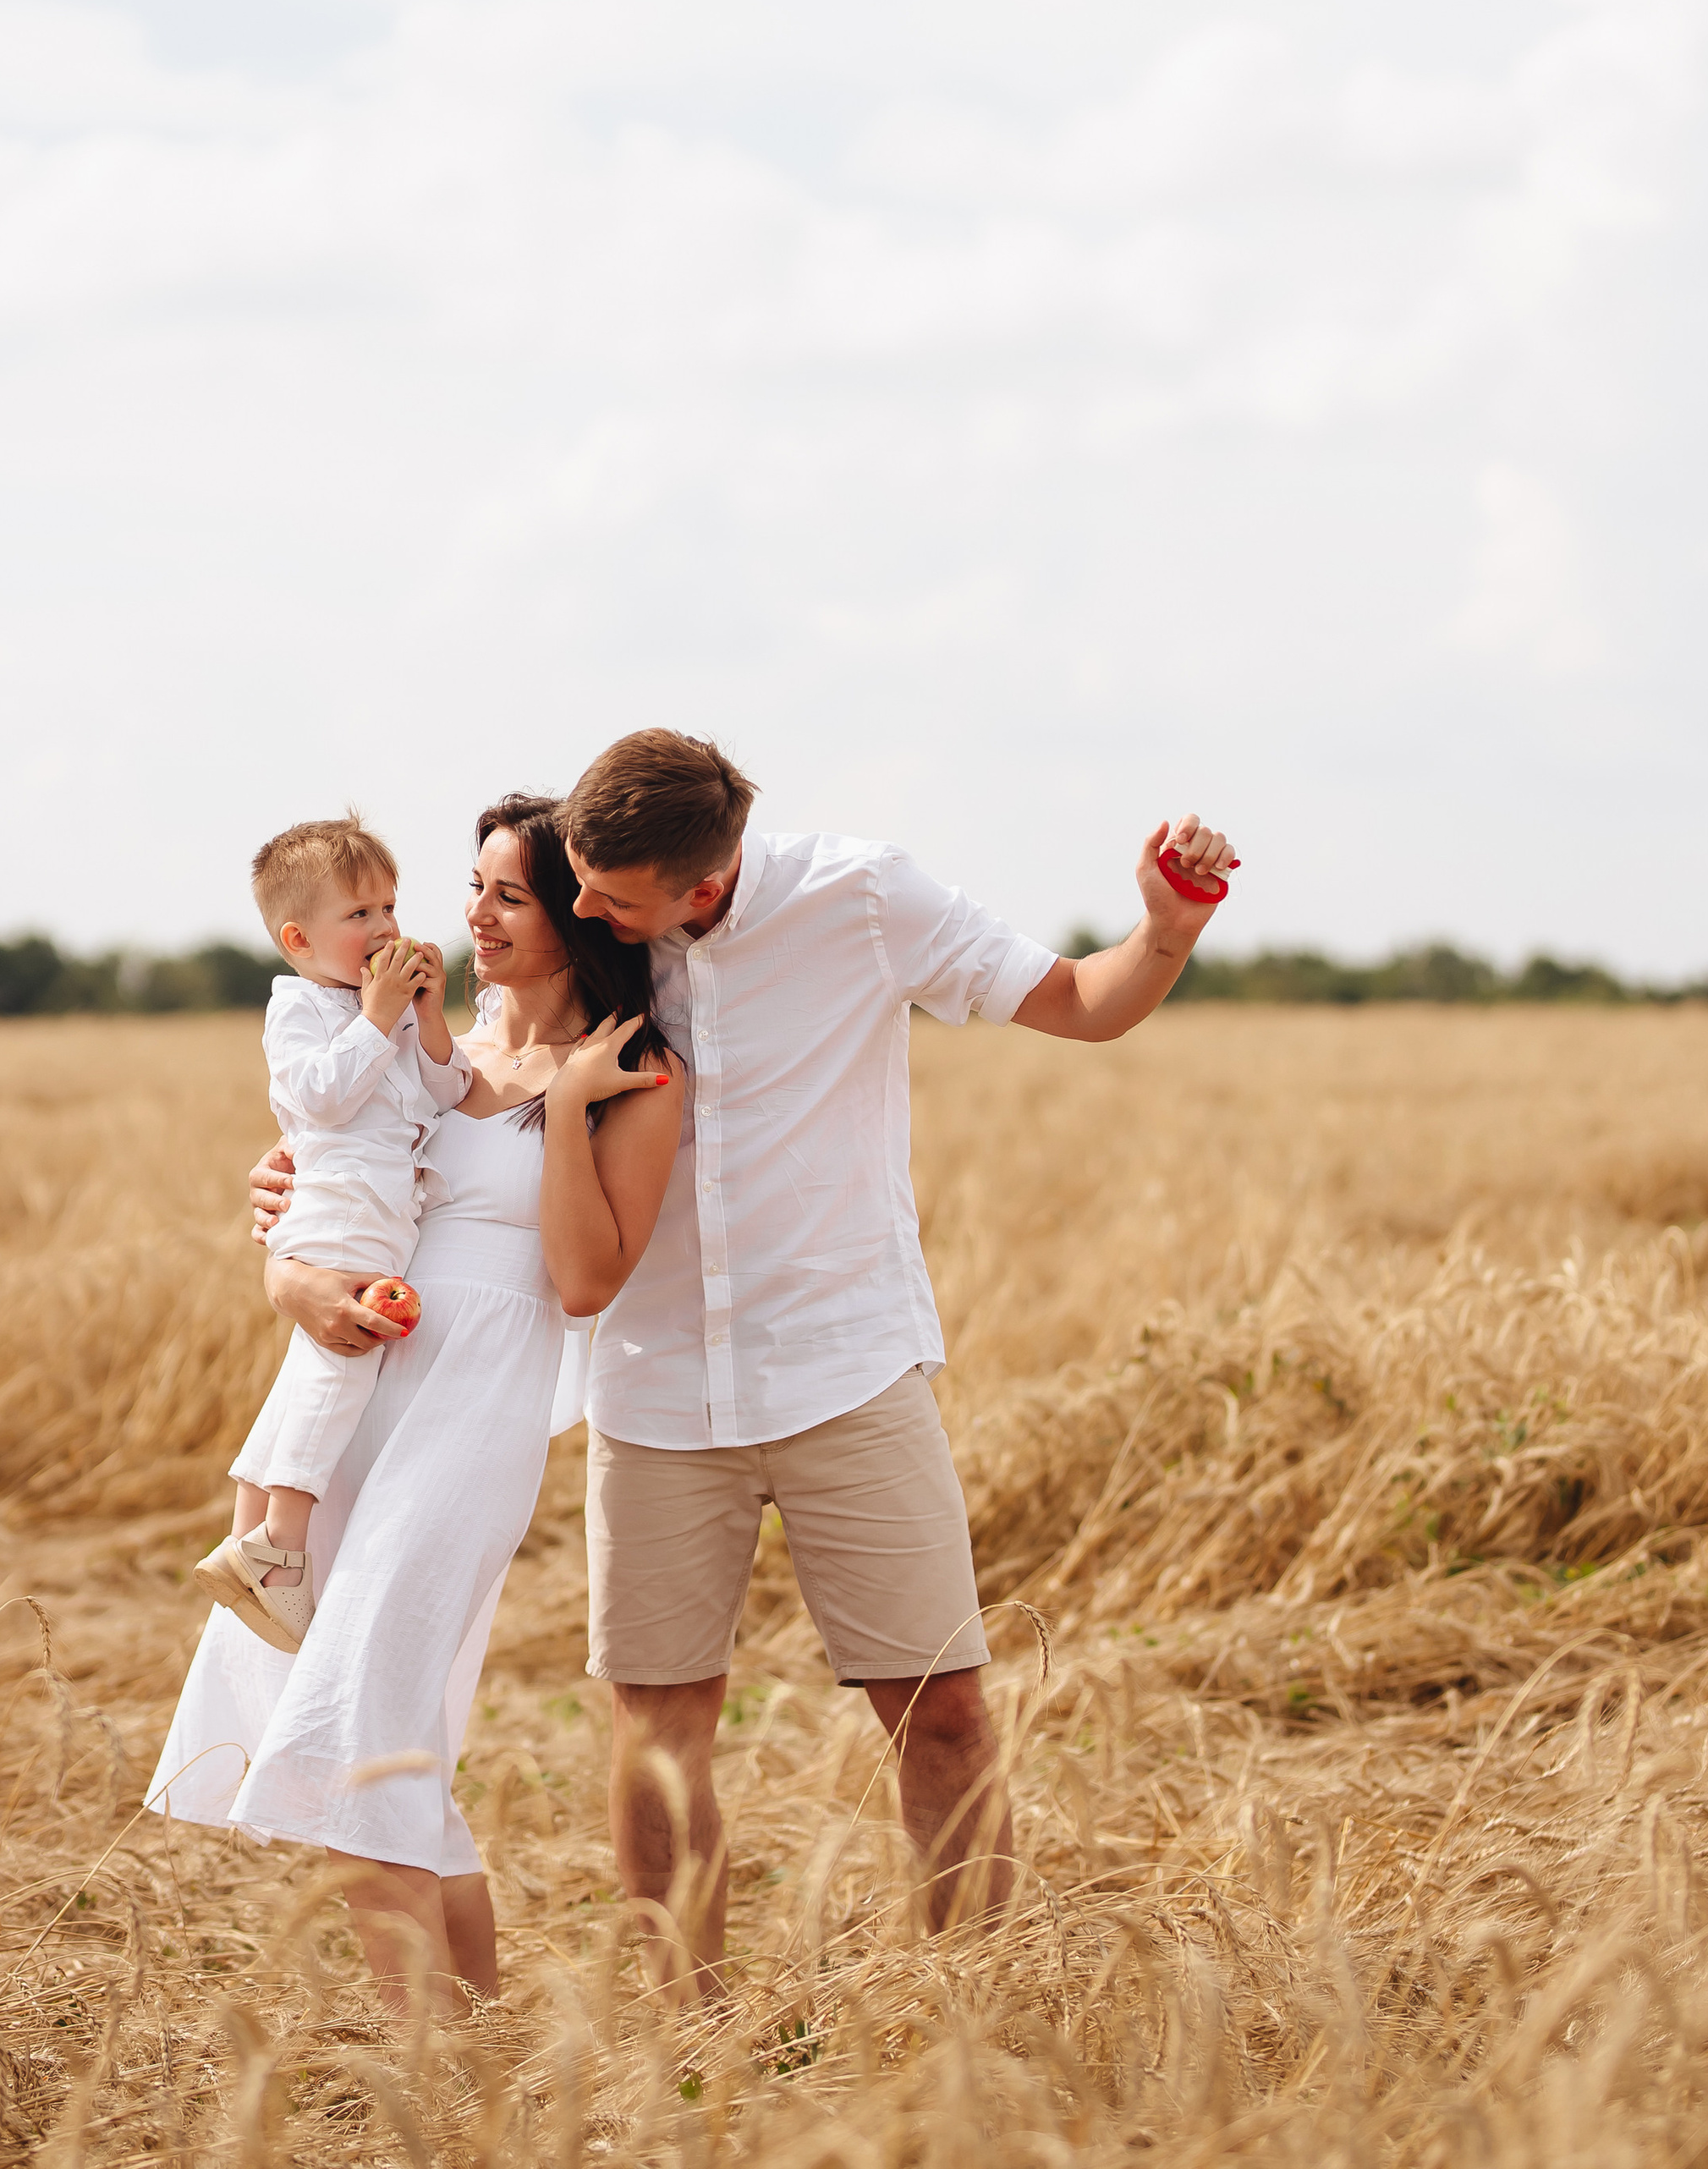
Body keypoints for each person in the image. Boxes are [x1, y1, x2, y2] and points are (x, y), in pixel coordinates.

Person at [253, 731, 1238, 1995]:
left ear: (698, 883)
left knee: (939, 1706)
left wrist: (1166, 929)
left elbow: (1081, 1005)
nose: (582, 910)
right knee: (657, 1730)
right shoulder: (561, 963)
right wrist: (291, 1212)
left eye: (605, 899)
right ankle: (686, 2031)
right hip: (656, 1390)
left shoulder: (863, 898)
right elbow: (403, 1133)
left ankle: (975, 2011)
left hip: (847, 1367)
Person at [151, 794, 684, 2018]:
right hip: (361, 1387)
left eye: (508, 893)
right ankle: (471, 2060)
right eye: (476, 885)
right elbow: (326, 1198)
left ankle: (426, 2071)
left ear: (578, 913)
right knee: (380, 1730)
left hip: (478, 1405)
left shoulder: (631, 1070)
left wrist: (556, 1111)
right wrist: (291, 1275)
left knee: (359, 1721)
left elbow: (589, 1278)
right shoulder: (424, 1050)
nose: (471, 915)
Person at [195, 814, 470, 1653]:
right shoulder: (302, 1008)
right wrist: (375, 1018)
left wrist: (423, 1017)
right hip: (343, 1208)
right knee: (345, 1360)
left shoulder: (376, 1011)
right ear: (298, 937)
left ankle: (248, 1528)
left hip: (377, 1213)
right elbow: (318, 1099)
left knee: (313, 1369)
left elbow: (445, 1092)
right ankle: (279, 1551)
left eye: (389, 907)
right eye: (359, 915)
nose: (385, 927)